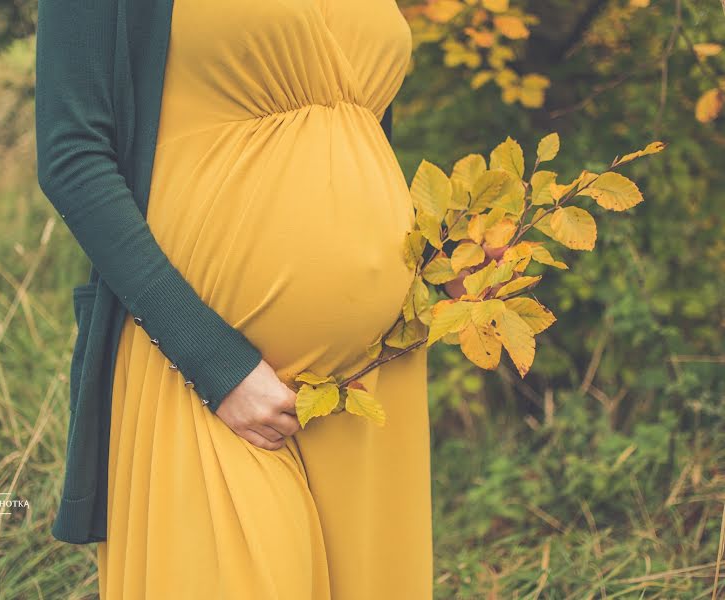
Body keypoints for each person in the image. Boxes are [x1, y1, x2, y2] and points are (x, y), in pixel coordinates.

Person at [34, 0, 495, 597]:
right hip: (199, 372)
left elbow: (355, 139)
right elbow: (72, 158)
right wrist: (214, 363)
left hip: (370, 381)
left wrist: (442, 254)